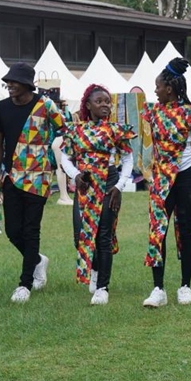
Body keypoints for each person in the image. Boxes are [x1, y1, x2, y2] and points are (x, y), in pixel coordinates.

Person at [0, 62, 65, 304]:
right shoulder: (1, 108)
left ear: (27, 84)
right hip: (11, 177)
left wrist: (56, 153)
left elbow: (65, 129)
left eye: (14, 81)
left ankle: (25, 284)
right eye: (8, 82)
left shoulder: (46, 105)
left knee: (31, 230)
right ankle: (37, 261)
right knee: (13, 231)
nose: (9, 85)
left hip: (38, 177)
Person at [142, 57, 191, 308]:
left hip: (189, 176)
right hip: (162, 177)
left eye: (158, 87)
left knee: (186, 228)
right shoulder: (153, 111)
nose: (155, 91)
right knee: (157, 231)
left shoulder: (189, 113)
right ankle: (158, 289)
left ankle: (185, 286)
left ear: (169, 89)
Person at [60, 84, 136, 305]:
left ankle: (103, 287)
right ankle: (94, 269)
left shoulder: (116, 130)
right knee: (80, 235)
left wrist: (119, 186)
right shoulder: (76, 130)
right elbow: (65, 158)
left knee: (103, 236)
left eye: (107, 101)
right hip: (85, 184)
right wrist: (76, 175)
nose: (105, 105)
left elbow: (128, 159)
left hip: (109, 183)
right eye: (99, 101)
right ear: (88, 105)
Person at [52, 99, 75, 206]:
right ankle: (63, 196)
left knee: (62, 169)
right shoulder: (57, 113)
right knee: (60, 169)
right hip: (58, 140)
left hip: (61, 140)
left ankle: (64, 195)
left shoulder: (63, 113)